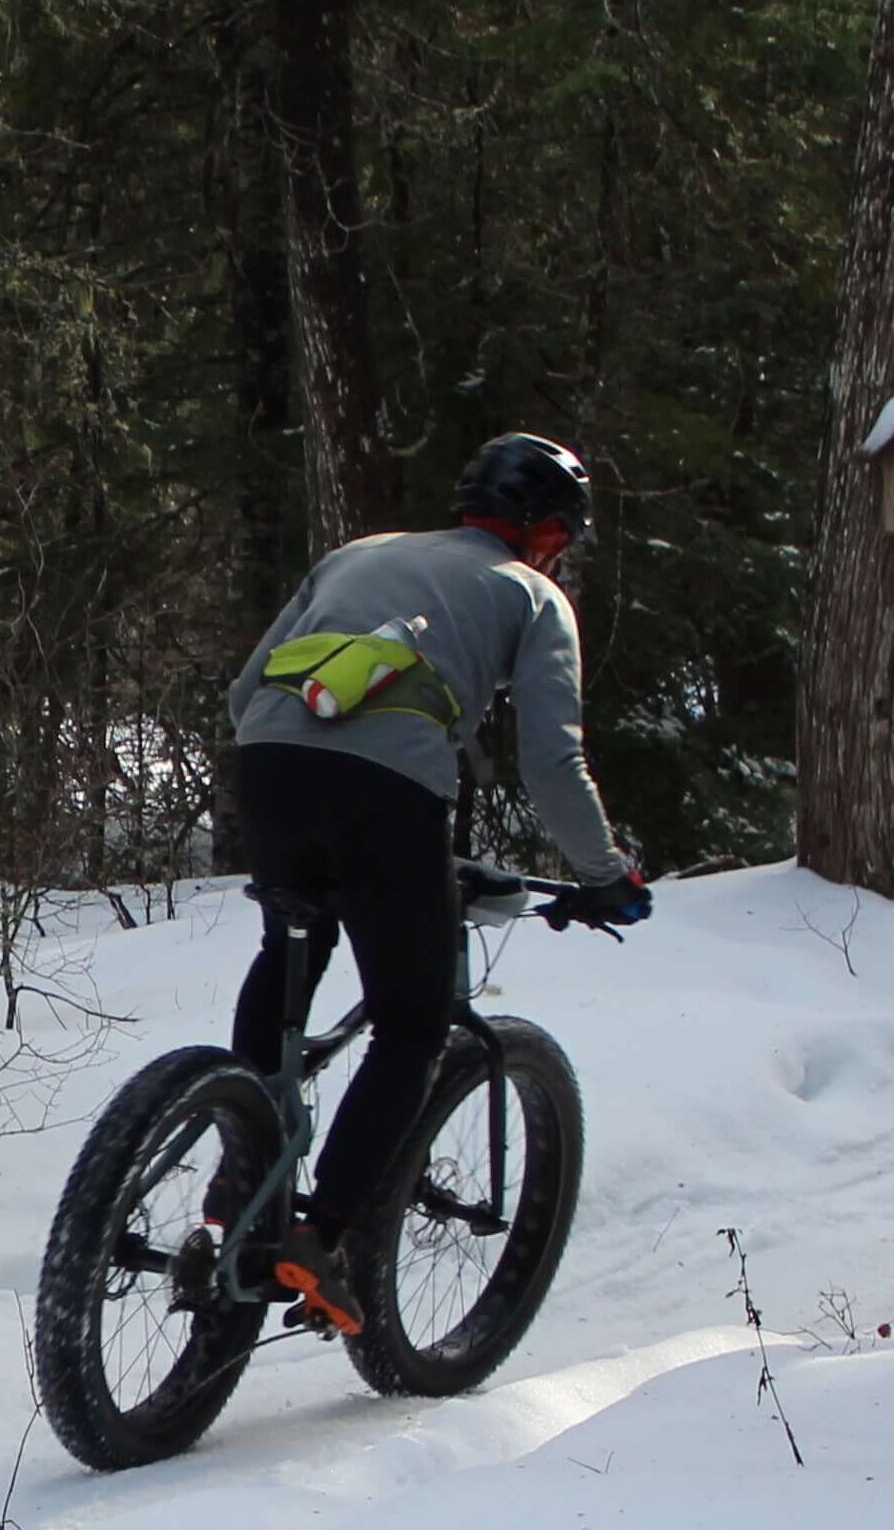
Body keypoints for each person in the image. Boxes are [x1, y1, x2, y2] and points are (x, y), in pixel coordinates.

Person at [222, 430, 649, 1332]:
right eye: (563, 537)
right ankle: (322, 1233)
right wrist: (603, 874)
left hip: (264, 763)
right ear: (544, 531)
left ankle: (241, 1153)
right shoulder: (535, 596)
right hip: (389, 791)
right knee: (413, 1022)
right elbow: (552, 762)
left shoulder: (361, 552)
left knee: (289, 941)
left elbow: (244, 687)